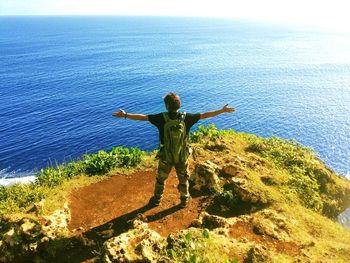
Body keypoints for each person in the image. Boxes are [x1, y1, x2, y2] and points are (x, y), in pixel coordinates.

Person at [112, 92, 235, 207]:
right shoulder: (187, 118)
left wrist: (125, 115)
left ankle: (156, 200)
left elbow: (143, 117)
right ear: (179, 105)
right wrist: (222, 110)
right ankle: (184, 200)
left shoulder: (161, 118)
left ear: (166, 106)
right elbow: (205, 115)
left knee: (161, 179)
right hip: (182, 155)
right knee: (183, 179)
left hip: (166, 156)